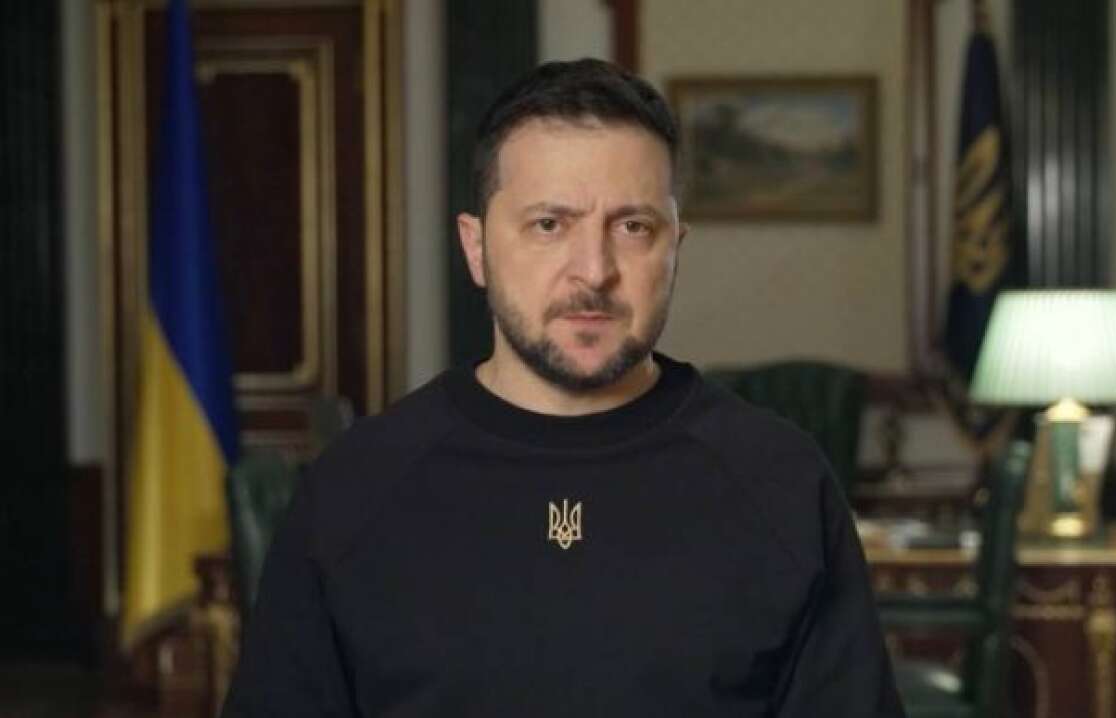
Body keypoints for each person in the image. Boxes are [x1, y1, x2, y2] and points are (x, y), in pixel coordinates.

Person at [221, 58, 903, 717]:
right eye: (549, 225)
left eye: (633, 227)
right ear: (476, 248)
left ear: (675, 247)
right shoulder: (354, 488)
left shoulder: (782, 482)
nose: (594, 271)